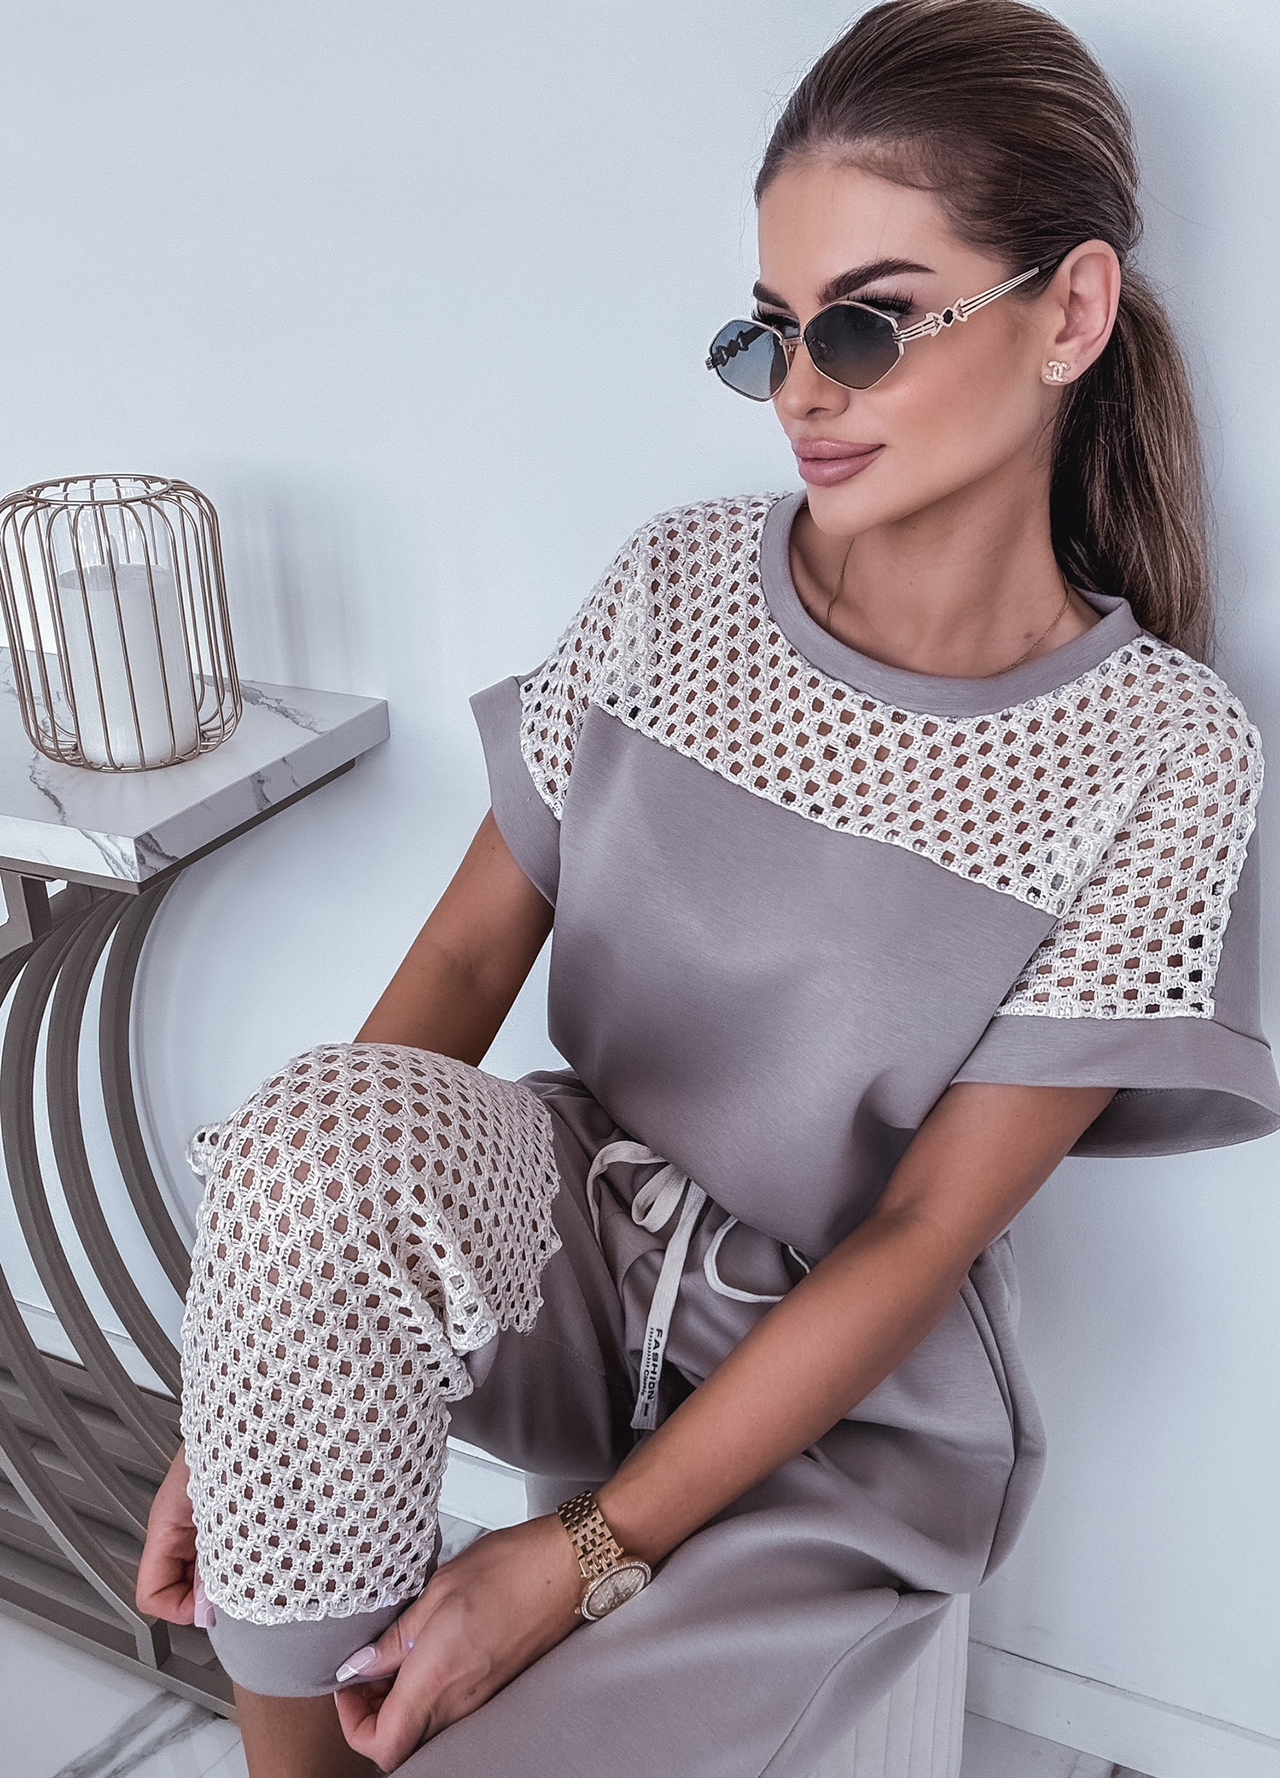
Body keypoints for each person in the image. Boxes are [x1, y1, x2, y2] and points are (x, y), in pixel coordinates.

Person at [136, 3, 1280, 1773]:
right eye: (771, 333)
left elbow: (919, 1233)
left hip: (847, 1406)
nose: (805, 391)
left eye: (867, 323)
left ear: (1071, 312)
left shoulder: (1165, 753)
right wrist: (263, 1383)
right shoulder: (674, 588)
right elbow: (462, 961)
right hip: (566, 1257)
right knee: (313, 1144)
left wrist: (577, 1556)